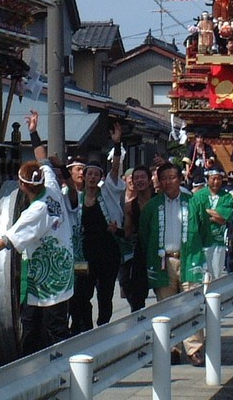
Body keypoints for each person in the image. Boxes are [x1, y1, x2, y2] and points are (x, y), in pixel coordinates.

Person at [0, 109, 73, 354]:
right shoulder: (52, 187)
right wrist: (33, 131)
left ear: (23, 186)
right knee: (40, 324)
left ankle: (55, 371)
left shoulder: (34, 212)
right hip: (62, 270)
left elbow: (5, 240)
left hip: (48, 277)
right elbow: (43, 159)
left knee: (45, 328)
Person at [139, 162, 205, 366]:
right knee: (166, 308)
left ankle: (194, 349)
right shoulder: (152, 206)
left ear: (180, 178)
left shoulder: (193, 202)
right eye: (164, 177)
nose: (168, 181)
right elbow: (144, 234)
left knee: (191, 305)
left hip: (188, 259)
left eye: (172, 177)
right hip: (163, 262)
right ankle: (172, 349)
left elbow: (203, 229)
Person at [70, 125, 125, 333]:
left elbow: (116, 168)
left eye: (95, 174)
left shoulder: (108, 191)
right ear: (84, 176)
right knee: (82, 292)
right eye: (89, 174)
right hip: (84, 254)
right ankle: (83, 326)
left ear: (100, 177)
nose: (92, 177)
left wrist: (117, 143)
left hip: (107, 252)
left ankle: (103, 326)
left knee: (105, 293)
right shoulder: (76, 197)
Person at [191, 166, 233, 279]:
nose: (216, 182)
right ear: (207, 179)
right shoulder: (199, 195)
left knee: (216, 275)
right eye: (213, 178)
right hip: (201, 241)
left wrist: (206, 213)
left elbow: (224, 217)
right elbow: (196, 216)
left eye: (218, 179)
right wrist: (215, 216)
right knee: (201, 275)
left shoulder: (226, 196)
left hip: (218, 241)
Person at [119, 165, 152, 312]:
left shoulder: (159, 199)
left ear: (150, 180)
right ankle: (139, 321)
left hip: (161, 247)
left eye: (142, 177)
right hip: (140, 248)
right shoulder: (130, 206)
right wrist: (116, 231)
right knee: (136, 291)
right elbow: (128, 233)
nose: (139, 180)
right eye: (136, 178)